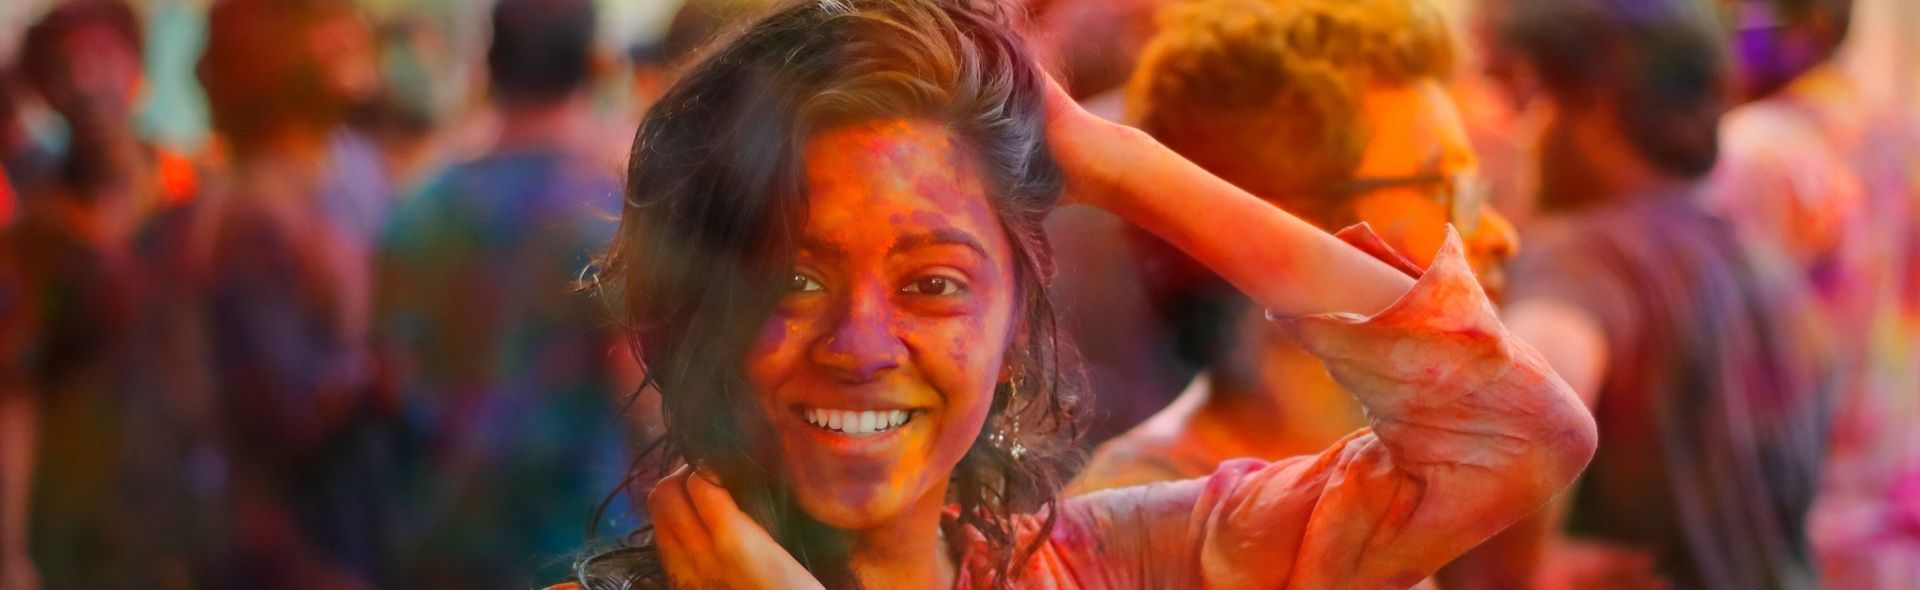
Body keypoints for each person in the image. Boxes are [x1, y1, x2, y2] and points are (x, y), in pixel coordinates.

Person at [560, 1, 1595, 588]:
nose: (863, 341)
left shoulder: (1096, 563)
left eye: (931, 281)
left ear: (1016, 323)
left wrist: (1110, 156)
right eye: (795, 275)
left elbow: (1514, 432)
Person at [1067, 0, 1521, 495]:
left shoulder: (1393, 472)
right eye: (1448, 192)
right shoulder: (1149, 527)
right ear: (1281, 239)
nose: (1501, 236)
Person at [1456, 0, 1837, 587]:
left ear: (1593, 110)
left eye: (1529, 99)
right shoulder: (1760, 262)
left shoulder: (1587, 258)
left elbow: (1524, 425)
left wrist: (1509, 572)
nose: (1519, 132)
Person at [374, 0, 638, 586]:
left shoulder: (418, 211)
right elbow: (638, 387)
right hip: (578, 548)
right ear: (598, 65)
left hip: (443, 542)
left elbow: (392, 379)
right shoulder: (611, 215)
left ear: (488, 65)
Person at [168, 0, 397, 585]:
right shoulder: (257, 210)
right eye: (319, 22)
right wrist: (380, 373)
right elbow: (279, 410)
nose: (348, 35)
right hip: (297, 541)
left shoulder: (355, 166)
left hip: (362, 512)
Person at [0, 2, 210, 587]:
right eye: (64, 68)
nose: (87, 82)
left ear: (136, 66)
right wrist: (10, 552)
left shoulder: (195, 195)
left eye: (102, 59)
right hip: (80, 517)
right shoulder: (36, 238)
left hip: (193, 508)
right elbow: (16, 392)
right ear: (44, 91)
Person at [1712, 1, 1920, 586]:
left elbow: (1728, 360)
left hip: (1803, 529)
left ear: (1811, 28)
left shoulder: (1756, 151)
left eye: (1738, 14)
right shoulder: (1903, 135)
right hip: (1898, 516)